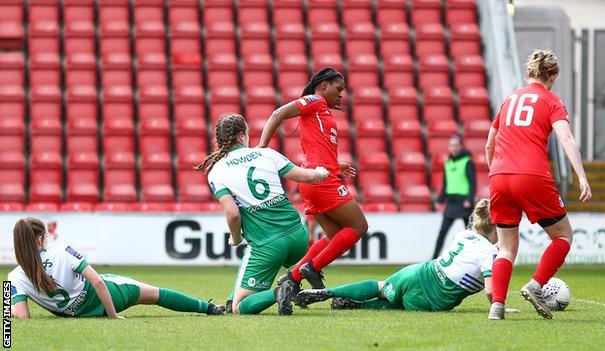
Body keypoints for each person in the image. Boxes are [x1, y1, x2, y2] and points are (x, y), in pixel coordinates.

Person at [485, 50, 592, 320]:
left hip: (499, 175)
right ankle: (535, 285)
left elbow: (490, 144)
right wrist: (581, 175)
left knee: (506, 246)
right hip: (531, 175)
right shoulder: (552, 101)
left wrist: (496, 172)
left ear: (531, 72)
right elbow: (566, 139)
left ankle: (497, 307)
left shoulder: (509, 99)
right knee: (563, 235)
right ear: (553, 75)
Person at [194, 113, 330, 315]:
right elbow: (308, 177)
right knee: (241, 289)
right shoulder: (267, 154)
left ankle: (281, 290)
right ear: (241, 136)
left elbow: (232, 214)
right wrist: (323, 172)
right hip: (298, 237)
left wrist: (236, 237)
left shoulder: (217, 170)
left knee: (240, 307)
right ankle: (243, 295)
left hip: (269, 245)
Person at [258, 67, 368, 296]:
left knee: (333, 235)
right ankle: (312, 267)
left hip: (315, 178)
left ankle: (293, 277)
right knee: (359, 227)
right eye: (338, 89)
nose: (341, 95)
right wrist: (261, 149)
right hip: (321, 181)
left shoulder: (323, 112)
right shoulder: (314, 101)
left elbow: (315, 149)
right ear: (324, 86)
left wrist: (337, 167)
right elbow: (277, 113)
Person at [294, 199, 500, 312]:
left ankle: (331, 292)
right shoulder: (489, 253)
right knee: (397, 303)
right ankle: (360, 305)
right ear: (497, 227)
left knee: (382, 287)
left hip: (417, 273)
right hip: (432, 300)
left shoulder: (464, 235)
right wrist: (498, 307)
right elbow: (490, 292)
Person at [9, 217, 224, 318]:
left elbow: (20, 316)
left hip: (75, 313)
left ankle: (209, 308)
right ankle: (208, 308)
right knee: (158, 294)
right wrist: (113, 316)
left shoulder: (13, 277)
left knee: (110, 276)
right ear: (39, 239)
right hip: (104, 297)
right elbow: (98, 282)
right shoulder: (62, 250)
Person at [433, 135, 476, 259]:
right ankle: (434, 258)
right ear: (449, 148)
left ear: (461, 146)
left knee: (471, 233)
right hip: (451, 202)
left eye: (457, 145)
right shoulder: (448, 163)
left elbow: (473, 182)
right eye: (452, 146)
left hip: (464, 202)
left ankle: (473, 257)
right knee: (442, 232)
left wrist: (469, 199)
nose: (454, 148)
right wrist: (440, 200)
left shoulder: (468, 161)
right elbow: (446, 184)